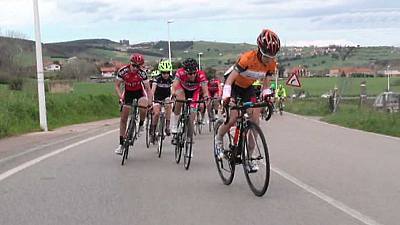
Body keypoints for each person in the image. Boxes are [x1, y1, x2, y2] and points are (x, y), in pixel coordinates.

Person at [215, 29, 280, 171]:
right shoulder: (247, 58)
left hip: (247, 88)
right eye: (266, 55)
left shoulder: (271, 64)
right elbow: (230, 79)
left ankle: (249, 157)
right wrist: (226, 97)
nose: (268, 59)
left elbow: (266, 84)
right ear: (259, 49)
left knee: (255, 121)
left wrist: (267, 96)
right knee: (233, 118)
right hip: (232, 86)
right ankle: (219, 138)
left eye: (272, 56)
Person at [115, 53, 152, 154]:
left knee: (143, 106)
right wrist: (120, 97)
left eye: (138, 66)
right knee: (123, 118)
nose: (135, 68)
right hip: (128, 93)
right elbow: (117, 86)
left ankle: (141, 124)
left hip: (139, 92)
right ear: (130, 63)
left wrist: (150, 101)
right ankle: (121, 144)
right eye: (134, 65)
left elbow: (148, 89)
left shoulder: (142, 73)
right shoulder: (123, 71)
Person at [170, 58, 209, 144]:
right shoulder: (180, 72)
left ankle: (189, 138)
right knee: (180, 98)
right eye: (190, 74)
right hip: (182, 89)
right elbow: (174, 86)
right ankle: (175, 124)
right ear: (185, 72)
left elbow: (205, 90)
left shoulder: (201, 74)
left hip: (194, 92)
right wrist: (173, 93)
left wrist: (206, 96)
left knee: (192, 115)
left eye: (194, 73)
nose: (192, 75)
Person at [149, 60, 173, 143]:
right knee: (156, 113)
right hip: (157, 98)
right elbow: (152, 91)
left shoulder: (171, 79)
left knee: (168, 104)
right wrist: (151, 100)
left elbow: (172, 90)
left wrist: (172, 98)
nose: (165, 74)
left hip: (166, 97)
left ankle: (167, 126)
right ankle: (153, 130)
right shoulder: (157, 79)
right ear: (161, 72)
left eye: (167, 72)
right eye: (163, 73)